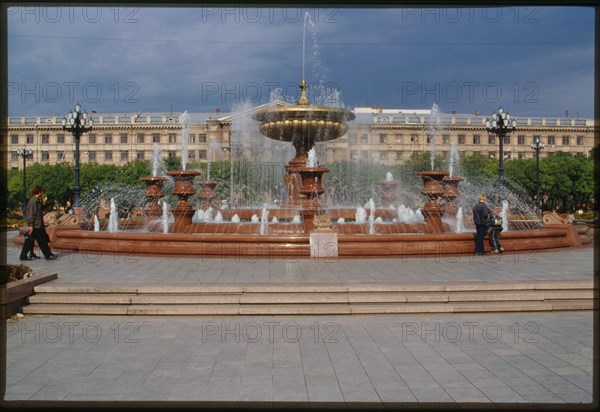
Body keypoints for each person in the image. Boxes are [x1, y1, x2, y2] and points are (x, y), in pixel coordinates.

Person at [25, 186, 57, 261]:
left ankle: (25, 255)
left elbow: (39, 210)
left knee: (29, 241)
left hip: (38, 224)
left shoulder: (37, 200)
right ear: (39, 192)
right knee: (42, 240)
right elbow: (31, 214)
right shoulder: (33, 201)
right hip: (36, 225)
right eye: (42, 191)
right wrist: (30, 225)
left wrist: (44, 203)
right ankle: (48, 255)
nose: (43, 193)